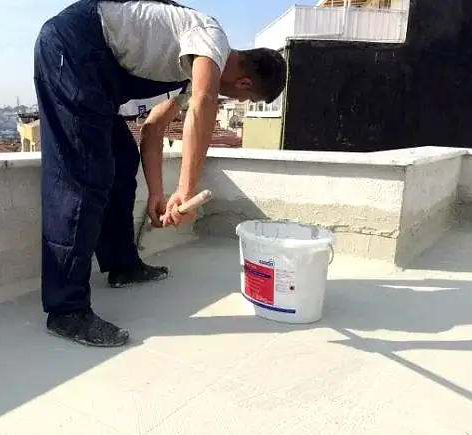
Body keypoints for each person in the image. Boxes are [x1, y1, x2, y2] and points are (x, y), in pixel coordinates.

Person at [33, 0, 287, 347]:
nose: (239, 103)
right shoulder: (210, 37)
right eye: (246, 99)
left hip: (94, 65)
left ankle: (122, 264)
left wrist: (157, 194)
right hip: (74, 46)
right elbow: (204, 102)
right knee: (85, 173)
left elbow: (152, 130)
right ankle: (67, 311)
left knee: (121, 157)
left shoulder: (190, 65)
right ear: (244, 83)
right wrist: (186, 189)